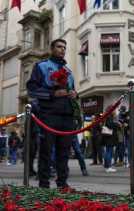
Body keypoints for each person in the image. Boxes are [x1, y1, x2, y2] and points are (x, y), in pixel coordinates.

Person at [27, 39, 77, 188]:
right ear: (52, 49)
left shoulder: (69, 71)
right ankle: (44, 184)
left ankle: (62, 183)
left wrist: (75, 94)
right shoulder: (41, 66)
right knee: (46, 151)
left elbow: (71, 90)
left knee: (64, 152)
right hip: (48, 115)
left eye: (64, 47)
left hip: (67, 116)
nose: (62, 49)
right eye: (59, 47)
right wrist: (53, 94)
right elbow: (32, 90)